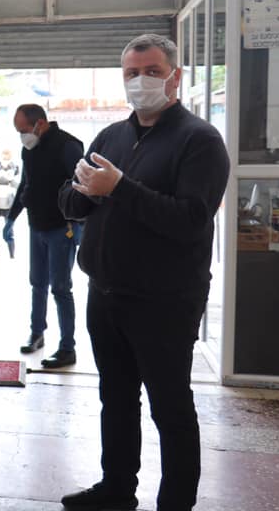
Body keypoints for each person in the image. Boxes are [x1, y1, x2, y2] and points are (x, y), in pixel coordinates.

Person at [58, 34, 229, 511]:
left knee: (169, 406)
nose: (141, 81)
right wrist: (85, 193)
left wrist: (118, 187)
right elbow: (69, 200)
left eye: (152, 72)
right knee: (115, 398)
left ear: (175, 77)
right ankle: (117, 489)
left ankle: (175, 502)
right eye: (132, 73)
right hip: (106, 293)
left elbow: (190, 219)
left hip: (164, 301)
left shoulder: (199, 140)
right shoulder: (111, 136)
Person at [4, 104, 84, 368]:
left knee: (60, 288)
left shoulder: (68, 146)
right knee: (37, 282)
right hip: (36, 226)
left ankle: (67, 347)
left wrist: (81, 225)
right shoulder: (30, 149)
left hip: (62, 228)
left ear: (40, 123)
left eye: (23, 130)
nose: (22, 136)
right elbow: (25, 185)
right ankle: (37, 332)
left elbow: (82, 186)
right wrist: (11, 218)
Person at [0, 149, 20, 259]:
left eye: (7, 157)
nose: (5, 158)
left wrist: (10, 181)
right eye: (4, 156)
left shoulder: (15, 167)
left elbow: (17, 184)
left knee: (9, 231)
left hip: (8, 203)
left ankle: (12, 256)